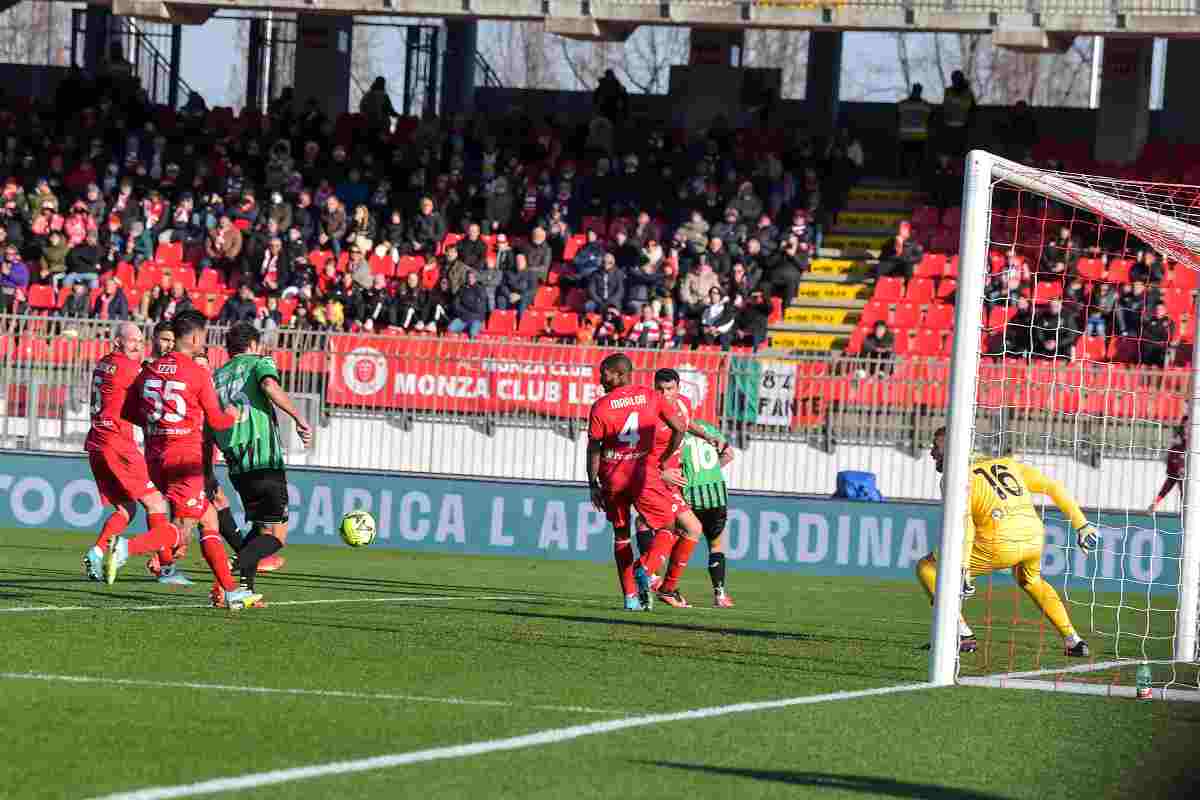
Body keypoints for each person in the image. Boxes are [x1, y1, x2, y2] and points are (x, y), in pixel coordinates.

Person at [103, 311, 262, 611]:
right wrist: (235, 413)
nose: (204, 341)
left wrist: (159, 423)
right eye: (203, 335)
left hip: (155, 456)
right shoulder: (196, 372)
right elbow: (216, 420)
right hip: (185, 458)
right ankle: (124, 548)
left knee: (208, 519)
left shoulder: (148, 371)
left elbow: (127, 412)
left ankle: (230, 590)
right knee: (183, 526)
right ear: (193, 337)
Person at [915, 427, 1097, 656]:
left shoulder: (957, 479)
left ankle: (961, 634)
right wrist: (1082, 524)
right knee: (1031, 579)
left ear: (952, 448)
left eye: (936, 447)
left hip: (997, 543)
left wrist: (962, 568)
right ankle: (1073, 640)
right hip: (1033, 538)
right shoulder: (1006, 463)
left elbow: (966, 523)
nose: (932, 453)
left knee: (928, 567)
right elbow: (1053, 486)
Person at [585, 353, 715, 611]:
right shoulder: (649, 396)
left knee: (621, 537)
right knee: (668, 525)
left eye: (605, 372)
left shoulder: (600, 406)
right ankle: (646, 569)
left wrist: (592, 484)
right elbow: (680, 427)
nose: (600, 377)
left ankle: (630, 598)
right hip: (643, 474)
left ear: (619, 374)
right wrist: (665, 460)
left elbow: (593, 449)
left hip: (612, 477)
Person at [209, 322, 313, 605]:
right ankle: (228, 570)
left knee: (257, 528)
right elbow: (269, 385)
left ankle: (243, 591)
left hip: (237, 465)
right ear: (253, 345)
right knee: (277, 536)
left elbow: (210, 422)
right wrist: (299, 419)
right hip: (264, 459)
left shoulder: (215, 378)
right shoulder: (259, 362)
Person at [80, 323, 181, 585]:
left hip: (96, 443)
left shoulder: (104, 363)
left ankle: (97, 551)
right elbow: (152, 387)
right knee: (156, 503)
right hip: (117, 444)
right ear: (117, 342)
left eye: (139, 340)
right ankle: (166, 568)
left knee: (126, 507)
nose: (137, 345)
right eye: (131, 341)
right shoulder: (128, 368)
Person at [638, 369, 736, 608]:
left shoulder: (682, 404)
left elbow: (685, 423)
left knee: (687, 528)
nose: (664, 394)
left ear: (678, 389)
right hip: (655, 478)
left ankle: (660, 583)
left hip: (672, 480)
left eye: (669, 389)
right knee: (659, 526)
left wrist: (705, 435)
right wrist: (661, 471)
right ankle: (646, 576)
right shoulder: (648, 414)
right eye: (659, 389)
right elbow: (637, 452)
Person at [1150, 417, 1188, 513]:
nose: (1188, 428)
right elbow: (1171, 480)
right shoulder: (1175, 448)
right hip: (1189, 504)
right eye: (1186, 426)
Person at [897, 83, 932, 178]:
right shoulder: (925, 106)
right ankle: (918, 176)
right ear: (920, 91)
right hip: (919, 135)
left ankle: (903, 176)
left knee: (904, 158)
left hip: (905, 135)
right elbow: (930, 119)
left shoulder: (902, 104)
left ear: (913, 90)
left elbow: (897, 116)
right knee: (919, 159)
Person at [940, 70, 976, 158]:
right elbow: (944, 108)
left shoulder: (968, 93)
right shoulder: (948, 92)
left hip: (962, 128)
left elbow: (973, 110)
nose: (955, 81)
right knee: (950, 152)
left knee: (960, 153)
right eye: (954, 79)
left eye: (956, 79)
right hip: (949, 127)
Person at [448, 269, 488, 338]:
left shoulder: (480, 289)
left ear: (475, 278)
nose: (470, 279)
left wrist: (465, 303)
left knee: (473, 334)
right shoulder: (462, 289)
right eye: (468, 277)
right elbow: (455, 304)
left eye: (472, 277)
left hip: (475, 319)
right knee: (450, 329)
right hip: (463, 318)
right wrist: (464, 311)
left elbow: (479, 308)